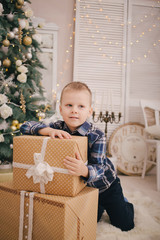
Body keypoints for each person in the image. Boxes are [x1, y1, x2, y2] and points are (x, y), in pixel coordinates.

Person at [20, 81, 134, 231]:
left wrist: (85, 171)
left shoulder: (97, 135)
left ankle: (126, 204)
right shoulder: (56, 127)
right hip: (84, 189)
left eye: (81, 106)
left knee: (124, 224)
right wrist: (47, 131)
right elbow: (25, 126)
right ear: (60, 109)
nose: (74, 110)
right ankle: (98, 206)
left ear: (89, 111)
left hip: (106, 186)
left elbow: (100, 167)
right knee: (90, 220)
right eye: (69, 105)